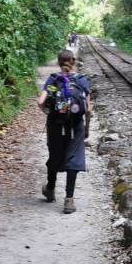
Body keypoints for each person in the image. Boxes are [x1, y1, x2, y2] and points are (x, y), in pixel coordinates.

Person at [38, 49, 92, 213]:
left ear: (58, 62)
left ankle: (51, 190)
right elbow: (88, 110)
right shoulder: (81, 80)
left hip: (56, 124)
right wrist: (87, 129)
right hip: (76, 125)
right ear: (73, 61)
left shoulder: (54, 79)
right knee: (74, 159)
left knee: (55, 155)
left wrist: (50, 114)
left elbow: (41, 102)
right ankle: (69, 200)